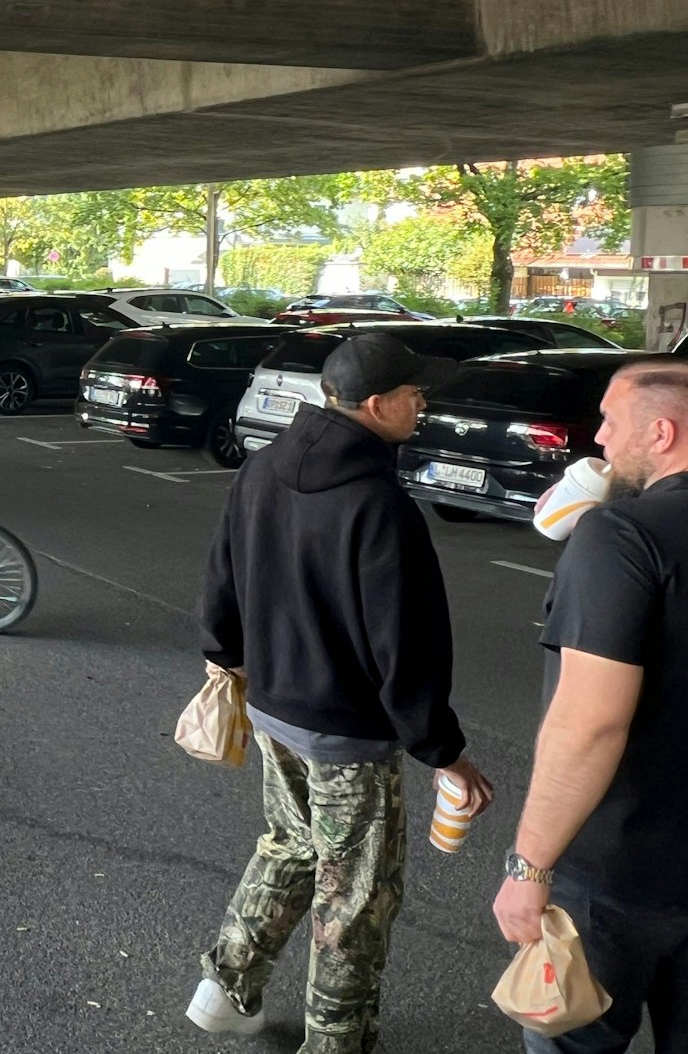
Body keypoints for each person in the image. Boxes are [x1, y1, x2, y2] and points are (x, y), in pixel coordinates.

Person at [190, 332, 494, 1050]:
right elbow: (406, 649)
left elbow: (220, 581)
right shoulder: (379, 503)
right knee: (355, 894)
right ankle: (337, 1042)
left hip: (272, 706)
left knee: (291, 844)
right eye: (416, 394)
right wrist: (444, 752)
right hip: (348, 734)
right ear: (379, 404)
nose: (424, 404)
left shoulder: (262, 469)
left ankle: (226, 987)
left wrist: (229, 657)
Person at [493, 357, 688, 1053]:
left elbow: (590, 723)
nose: (599, 440)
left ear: (660, 433)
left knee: (572, 1039)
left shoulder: (621, 537)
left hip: (617, 872)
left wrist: (529, 868)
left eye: (609, 421)